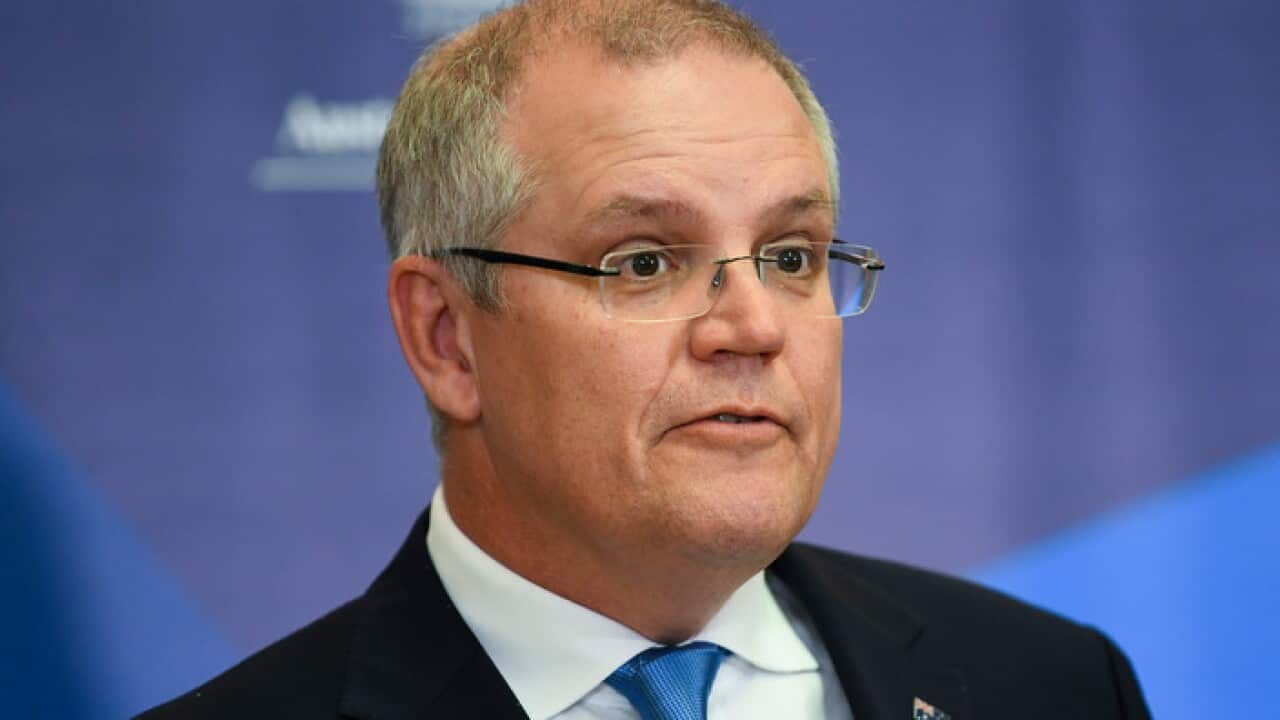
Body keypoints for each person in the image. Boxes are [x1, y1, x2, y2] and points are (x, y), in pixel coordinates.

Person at [141, 1, 1151, 718]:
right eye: (642, 263)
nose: (752, 326)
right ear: (446, 337)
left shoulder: (1051, 686)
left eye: (791, 256)